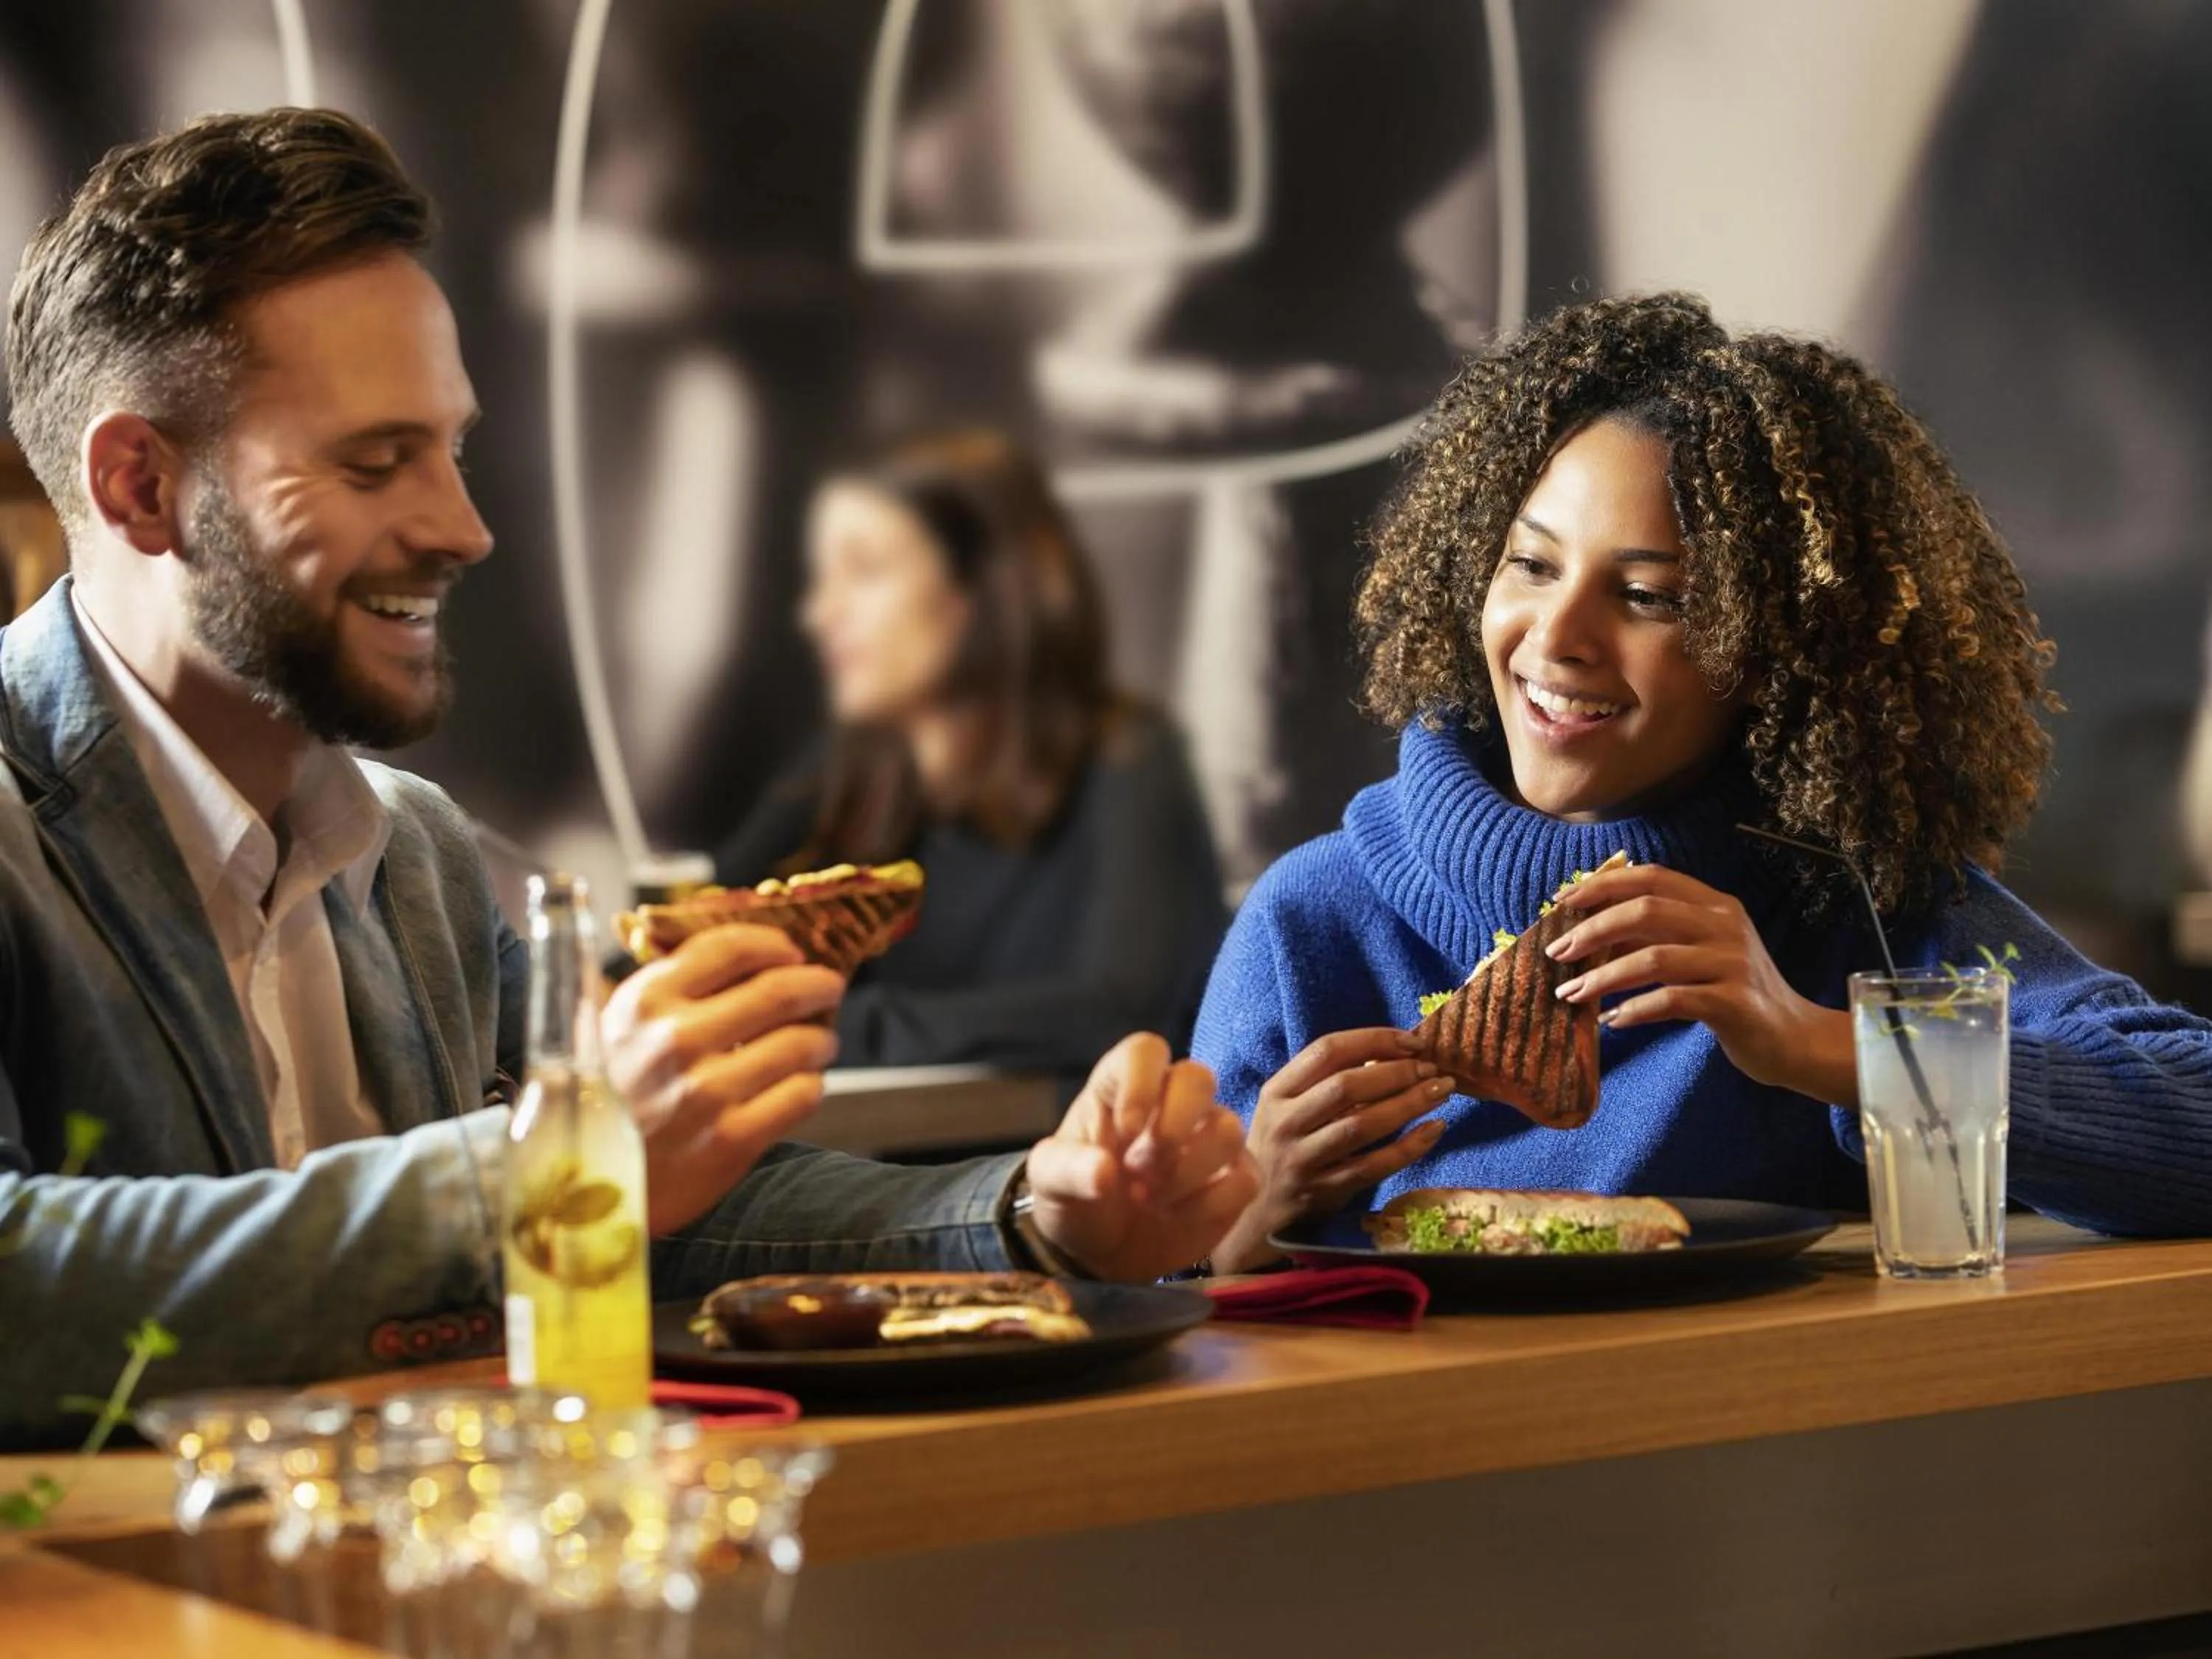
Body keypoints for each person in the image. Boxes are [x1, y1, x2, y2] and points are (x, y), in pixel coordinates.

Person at [0, 107, 1256, 1444]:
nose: (463, 529)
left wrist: (1032, 1215)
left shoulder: (415, 855)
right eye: (376, 462)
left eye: (452, 450)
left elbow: (659, 1223)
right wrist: (551, 1171)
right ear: (138, 486)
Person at [1192, 292, 2212, 1274]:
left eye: (1646, 596)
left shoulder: (1862, 907)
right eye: (1532, 566)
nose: (1557, 638)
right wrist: (1254, 1213)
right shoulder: (1313, 921)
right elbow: (1168, 1317)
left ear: (1777, 656)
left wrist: (1818, 1043)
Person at [711, 431, 1226, 1088]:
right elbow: (705, 920)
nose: (820, 614)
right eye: (823, 579)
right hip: (885, 1178)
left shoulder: (1130, 760)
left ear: (977, 595)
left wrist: (826, 1025)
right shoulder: (849, 767)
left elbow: (1118, 1011)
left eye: (864, 571)